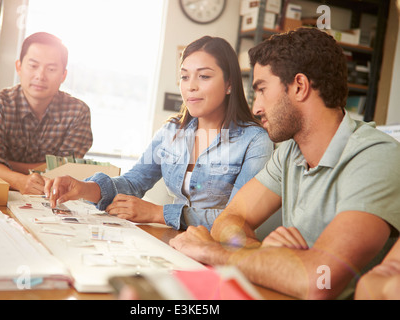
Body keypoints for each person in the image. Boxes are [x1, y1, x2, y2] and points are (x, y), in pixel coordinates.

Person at [169, 28, 400, 299]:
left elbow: (319, 280)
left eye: (262, 90)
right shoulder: (290, 152)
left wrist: (211, 251)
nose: (255, 108)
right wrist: (262, 253)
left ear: (299, 87)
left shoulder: (376, 157)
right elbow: (229, 220)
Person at [45, 36, 273, 230]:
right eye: (185, 76)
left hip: (220, 251)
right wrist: (85, 189)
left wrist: (159, 213)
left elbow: (236, 219)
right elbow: (134, 182)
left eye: (204, 76)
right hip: (174, 242)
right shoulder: (172, 132)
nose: (190, 86)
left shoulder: (254, 141)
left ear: (229, 84)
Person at [0, 32, 93, 195]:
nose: (40, 76)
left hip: (50, 196)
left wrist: (5, 165)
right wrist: (20, 181)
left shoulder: (78, 113)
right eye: (33, 66)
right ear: (19, 67)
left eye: (51, 69)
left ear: (63, 75)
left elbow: (66, 168)